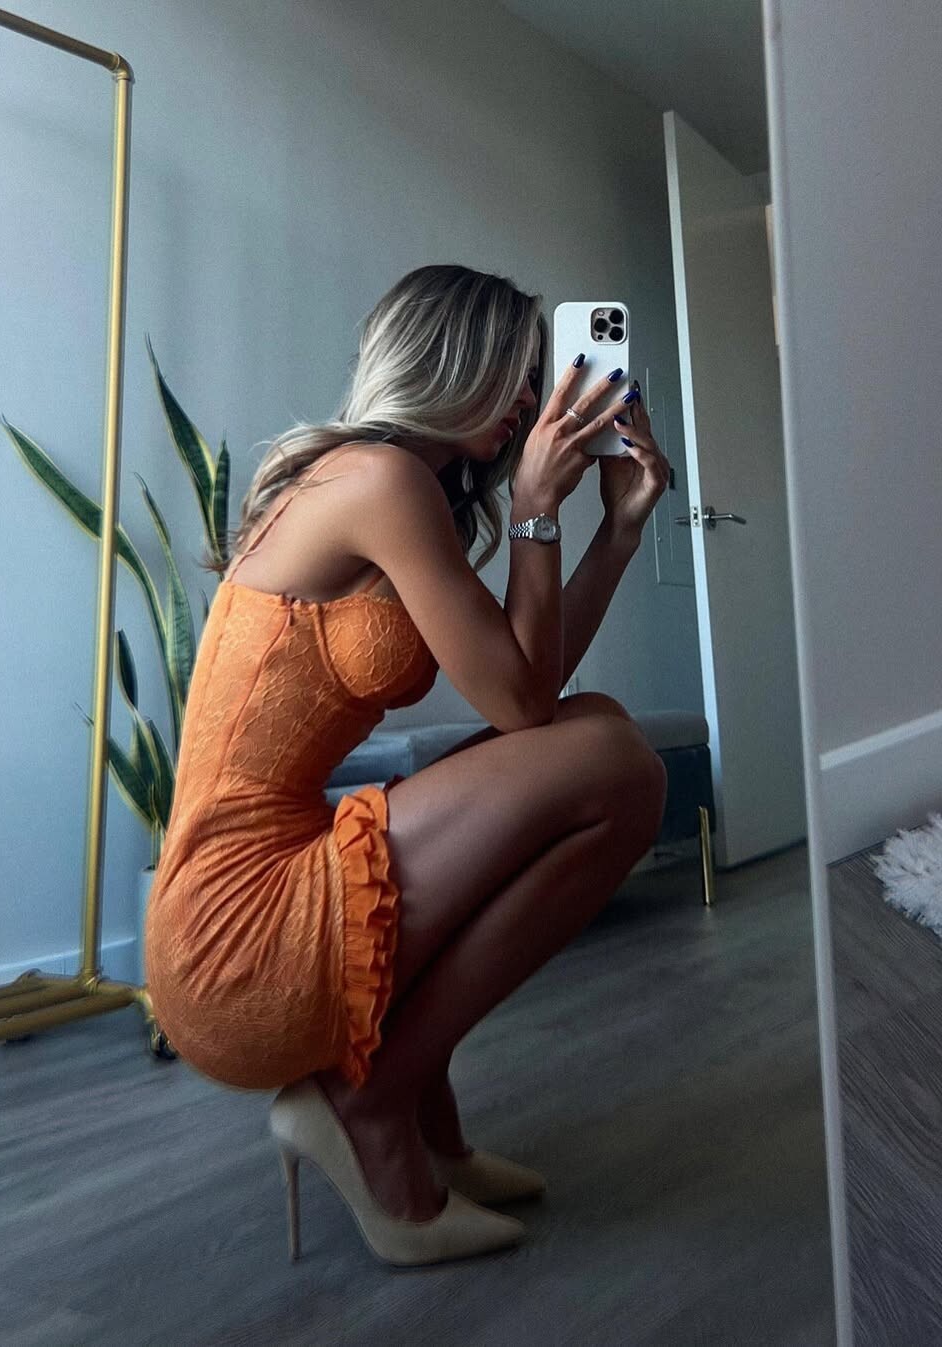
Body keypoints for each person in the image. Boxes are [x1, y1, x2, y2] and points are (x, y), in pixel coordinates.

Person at [144, 264, 671, 1267]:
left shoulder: (391, 485)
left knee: (601, 740)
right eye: (514, 373)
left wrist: (620, 527)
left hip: (262, 884)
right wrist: (535, 508)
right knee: (614, 761)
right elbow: (526, 708)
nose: (532, 399)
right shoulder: (377, 480)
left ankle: (424, 1122)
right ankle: (373, 1106)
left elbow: (531, 692)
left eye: (539, 374)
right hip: (233, 932)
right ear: (446, 362)